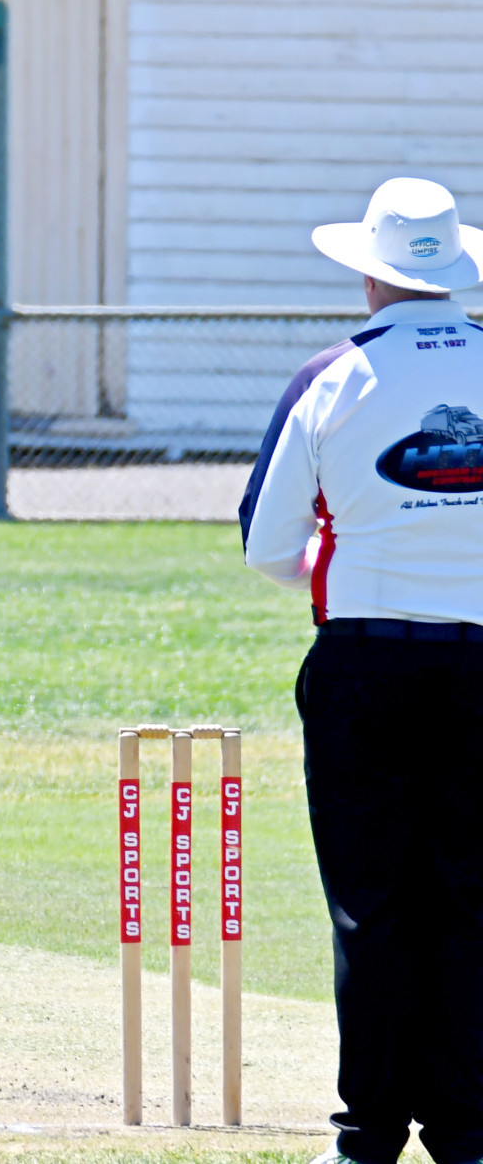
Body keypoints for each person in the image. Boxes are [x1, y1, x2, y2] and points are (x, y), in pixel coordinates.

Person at [243, 177, 483, 1164]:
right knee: (470, 898)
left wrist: (362, 560)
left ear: (368, 276)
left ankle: (368, 1131)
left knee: (370, 904)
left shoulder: (329, 378)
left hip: (363, 662)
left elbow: (266, 544)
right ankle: (468, 1128)